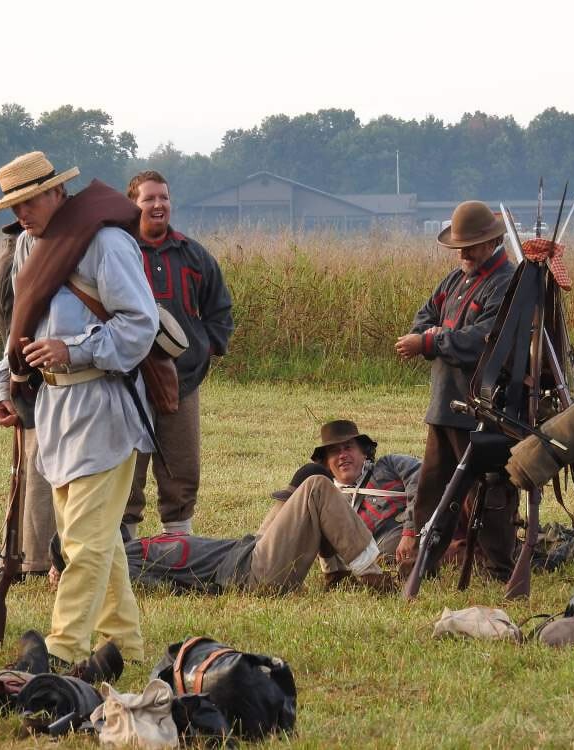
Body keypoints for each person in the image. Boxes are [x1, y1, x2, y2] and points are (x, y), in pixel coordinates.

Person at [0, 151, 158, 667]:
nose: (22, 213)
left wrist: (73, 348)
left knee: (82, 543)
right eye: (14, 206)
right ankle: (124, 644)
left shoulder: (107, 244)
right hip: (55, 409)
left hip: (104, 407)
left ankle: (62, 651)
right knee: (98, 540)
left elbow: (140, 325)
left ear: (57, 192)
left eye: (30, 200)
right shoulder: (26, 247)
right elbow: (23, 325)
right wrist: (3, 382)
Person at [394, 200, 519, 580]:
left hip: (482, 407)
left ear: (491, 243)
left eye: (470, 246)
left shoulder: (507, 283)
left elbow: (484, 340)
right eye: (459, 247)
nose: (463, 254)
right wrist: (428, 335)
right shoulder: (453, 280)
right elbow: (425, 316)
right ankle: (422, 564)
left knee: (488, 490)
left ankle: (498, 568)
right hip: (444, 404)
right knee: (432, 490)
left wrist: (430, 342)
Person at [51, 471, 396, 595]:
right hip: (249, 572)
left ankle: (335, 573)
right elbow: (160, 588)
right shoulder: (123, 565)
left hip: (249, 549)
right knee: (317, 486)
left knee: (308, 475)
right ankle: (371, 573)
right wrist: (71, 576)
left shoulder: (130, 546)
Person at [122, 171, 235, 538]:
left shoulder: (192, 254)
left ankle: (179, 543)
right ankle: (126, 546)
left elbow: (220, 309)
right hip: (128, 382)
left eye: (164, 198)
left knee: (182, 466)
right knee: (127, 467)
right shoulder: (119, 252)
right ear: (133, 204)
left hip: (182, 380)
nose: (158, 205)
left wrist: (204, 348)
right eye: (149, 198)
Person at [256, 420, 420, 584]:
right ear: (326, 463)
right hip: (394, 562)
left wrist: (410, 532)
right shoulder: (327, 504)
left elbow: (423, 479)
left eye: (348, 447)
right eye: (335, 451)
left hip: (424, 539)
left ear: (364, 452)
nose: (342, 455)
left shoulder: (389, 465)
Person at [0, 221, 56, 575]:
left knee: (32, 465)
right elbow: (16, 337)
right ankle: (37, 558)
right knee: (39, 465)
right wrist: (6, 383)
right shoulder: (19, 265)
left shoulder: (7, 263)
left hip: (25, 377)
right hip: (36, 378)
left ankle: (27, 553)